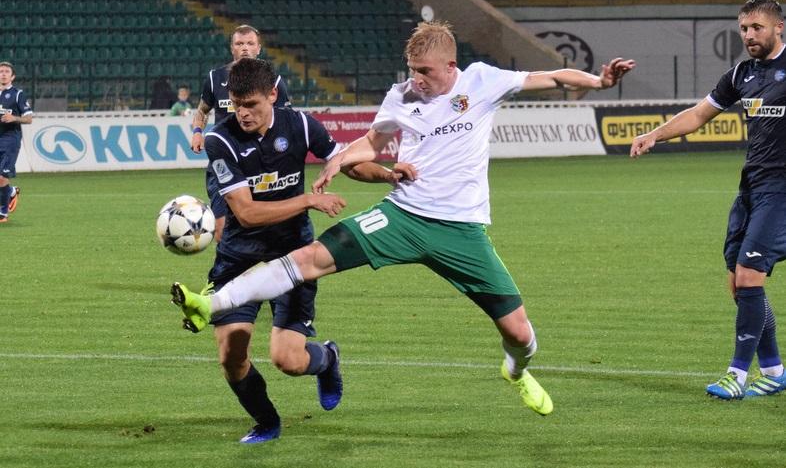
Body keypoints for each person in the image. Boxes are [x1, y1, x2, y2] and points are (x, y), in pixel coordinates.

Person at [172, 21, 635, 418]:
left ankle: (516, 371)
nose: (417, 79)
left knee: (519, 333)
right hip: (403, 216)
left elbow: (551, 76)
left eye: (425, 72)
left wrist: (598, 82)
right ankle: (210, 304)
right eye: (412, 70)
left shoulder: (482, 80)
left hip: (462, 231)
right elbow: (373, 143)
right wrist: (340, 160)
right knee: (310, 258)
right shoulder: (401, 96)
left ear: (450, 67)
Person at [182, 57, 411, 444]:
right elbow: (246, 213)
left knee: (287, 360)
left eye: (251, 104)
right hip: (240, 258)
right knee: (231, 356)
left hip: (294, 257)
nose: (243, 113)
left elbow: (345, 163)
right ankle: (267, 422)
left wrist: (388, 175)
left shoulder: (302, 125)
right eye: (237, 105)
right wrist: (307, 200)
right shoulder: (221, 140)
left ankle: (328, 358)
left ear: (272, 95)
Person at [630, 0, 786, 400]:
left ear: (779, 27)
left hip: (782, 191)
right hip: (751, 188)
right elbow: (700, 114)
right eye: (744, 28)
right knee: (738, 283)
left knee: (750, 276)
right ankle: (774, 370)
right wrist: (654, 134)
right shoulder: (741, 74)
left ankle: (736, 375)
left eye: (757, 27)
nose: (749, 35)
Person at [191, 24, 290, 243]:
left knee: (263, 226)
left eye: (250, 43)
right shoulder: (215, 78)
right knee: (221, 229)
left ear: (259, 48)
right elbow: (202, 111)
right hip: (224, 162)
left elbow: (285, 120)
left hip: (260, 163)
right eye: (239, 43)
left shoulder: (273, 81)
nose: (245, 48)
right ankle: (227, 266)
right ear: (232, 48)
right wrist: (197, 131)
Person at [0, 62, 32, 223]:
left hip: (10, 139)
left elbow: (29, 119)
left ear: (12, 77)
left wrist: (14, 118)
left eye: (7, 71)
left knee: (1, 176)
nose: (3, 74)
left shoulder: (17, 94)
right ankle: (11, 191)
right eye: (1, 71)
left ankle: (3, 212)